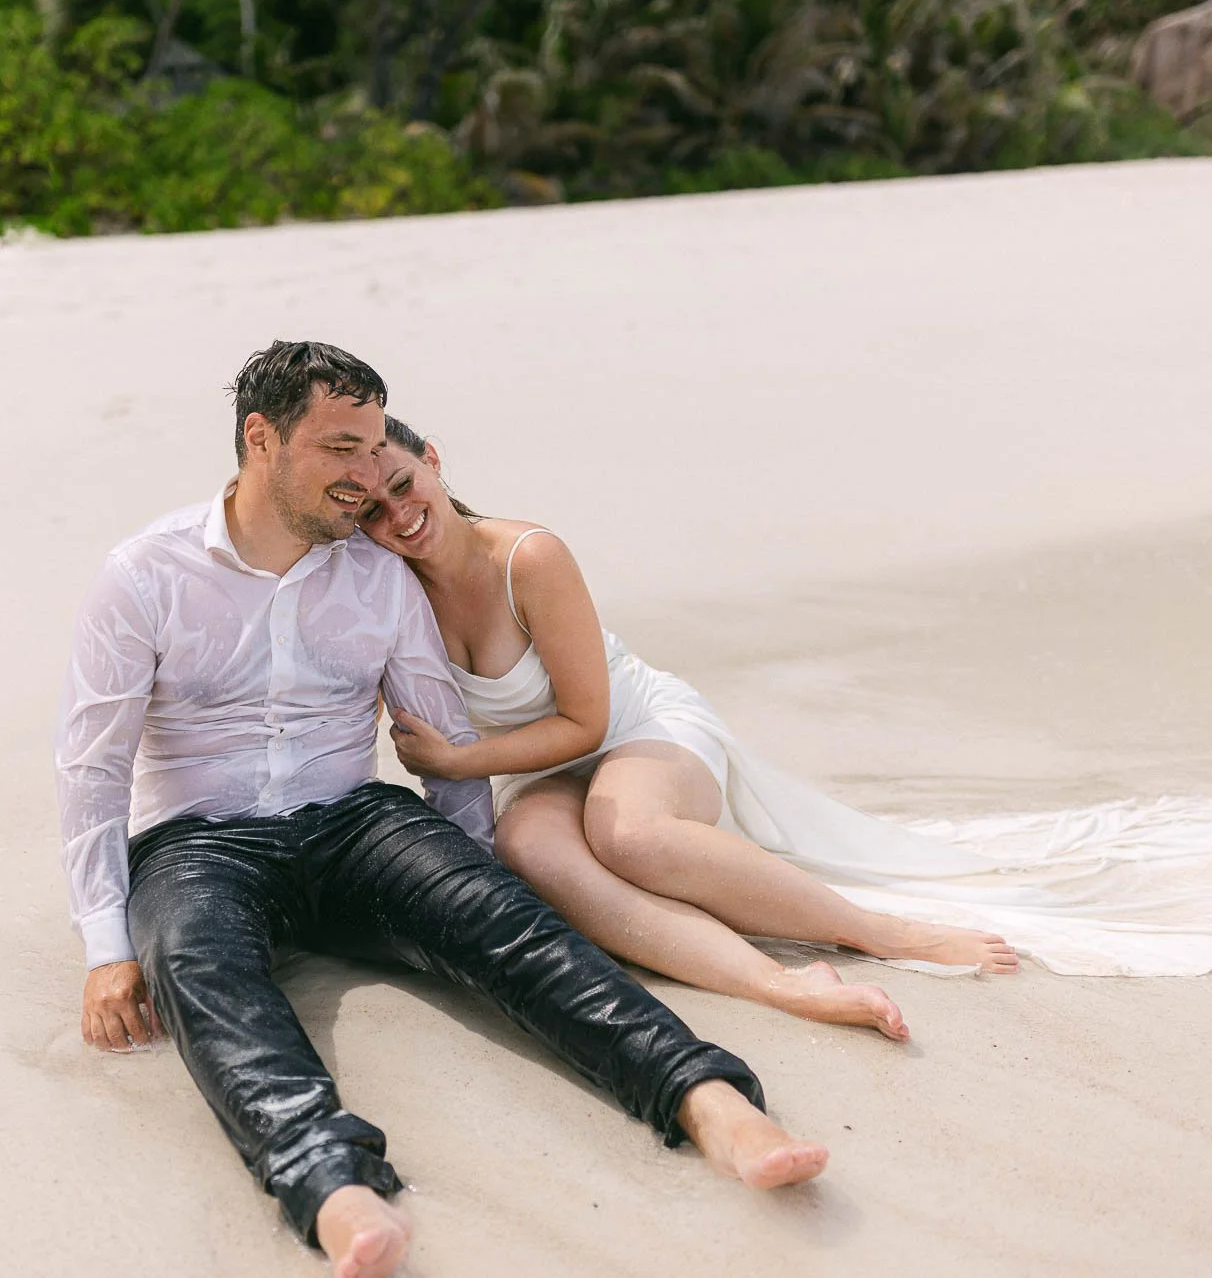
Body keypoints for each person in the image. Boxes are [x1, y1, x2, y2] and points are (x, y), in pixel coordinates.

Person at [55, 342, 833, 1278]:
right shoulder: (144, 574)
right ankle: (331, 1186)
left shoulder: (380, 575)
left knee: (511, 926)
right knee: (197, 963)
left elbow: (443, 736)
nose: (364, 476)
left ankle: (707, 1098)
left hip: (357, 823)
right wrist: (106, 947)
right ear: (260, 439)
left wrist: (465, 887)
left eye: (375, 447)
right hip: (198, 843)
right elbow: (92, 771)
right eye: (341, 449)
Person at [362, 417, 1212, 992]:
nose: (398, 514)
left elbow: (587, 722)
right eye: (369, 509)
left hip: (640, 731)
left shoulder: (529, 554)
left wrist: (452, 764)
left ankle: (877, 928)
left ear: (435, 461)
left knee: (631, 837)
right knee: (532, 849)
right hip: (546, 773)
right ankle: (769, 982)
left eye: (404, 484)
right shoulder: (393, 595)